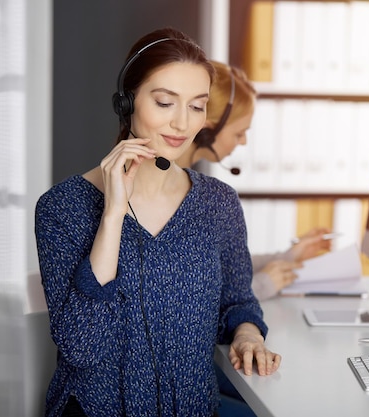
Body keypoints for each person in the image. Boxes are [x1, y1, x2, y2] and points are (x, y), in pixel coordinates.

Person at [34, 27, 281, 417]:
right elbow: (82, 347)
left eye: (197, 106)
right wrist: (113, 215)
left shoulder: (219, 204)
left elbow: (239, 302)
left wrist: (248, 333)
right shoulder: (62, 208)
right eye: (165, 102)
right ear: (126, 103)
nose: (182, 124)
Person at [176, 61, 333, 301]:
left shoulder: (191, 184)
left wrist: (288, 257)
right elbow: (187, 299)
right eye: (239, 133)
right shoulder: (172, 192)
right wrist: (261, 286)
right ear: (207, 130)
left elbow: (221, 267)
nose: (243, 143)